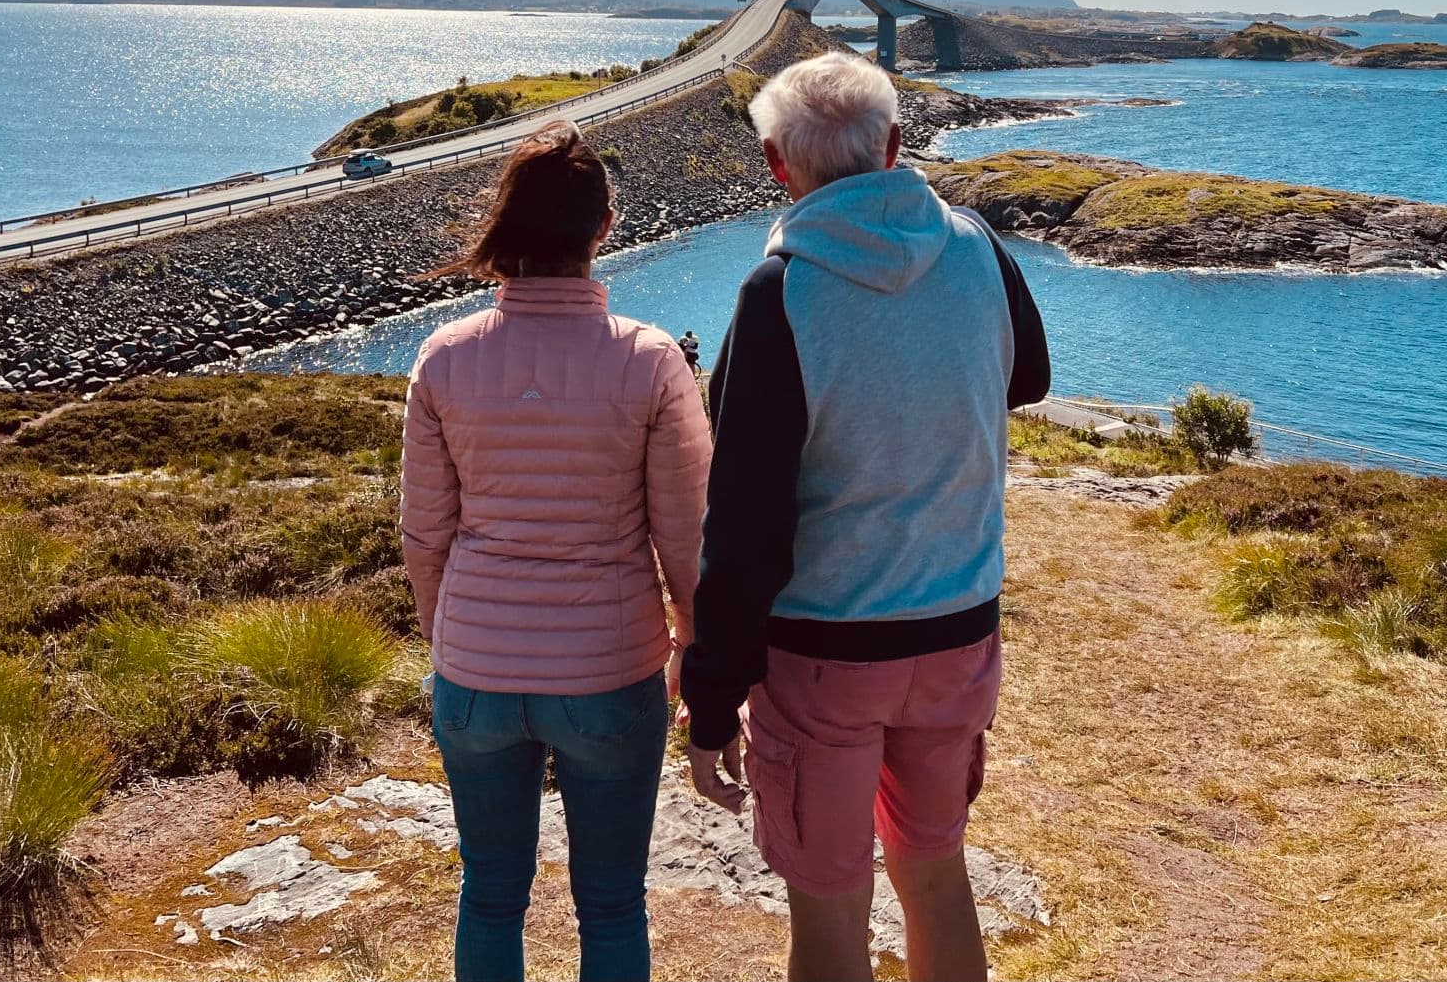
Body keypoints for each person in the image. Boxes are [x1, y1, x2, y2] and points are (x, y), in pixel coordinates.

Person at [680, 53, 1050, 982]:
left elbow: (745, 523)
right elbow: (1031, 376)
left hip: (825, 653)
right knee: (936, 876)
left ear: (776, 163)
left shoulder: (781, 293)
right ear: (894, 144)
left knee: (832, 908)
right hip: (958, 633)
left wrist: (712, 696)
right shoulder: (976, 246)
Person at [399, 122, 711, 982]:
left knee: (490, 891)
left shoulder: (445, 357)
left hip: (474, 673)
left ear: (505, 229)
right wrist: (693, 644)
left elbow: (426, 535)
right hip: (608, 672)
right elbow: (685, 540)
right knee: (611, 902)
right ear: (603, 228)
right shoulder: (649, 361)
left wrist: (454, 640)